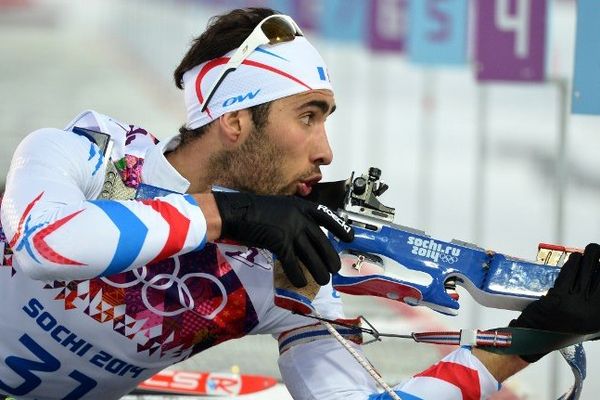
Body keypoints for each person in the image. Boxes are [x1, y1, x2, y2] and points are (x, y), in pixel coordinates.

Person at [1, 7, 599, 400]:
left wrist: (530, 340)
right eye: (307, 116)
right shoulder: (85, 155)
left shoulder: (275, 269)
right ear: (235, 120)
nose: (327, 151)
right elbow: (45, 245)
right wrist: (228, 213)